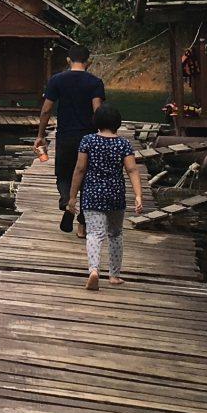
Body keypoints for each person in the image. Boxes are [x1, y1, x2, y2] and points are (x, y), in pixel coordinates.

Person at [67, 104, 143, 290]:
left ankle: (94, 270)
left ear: (96, 122)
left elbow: (80, 169)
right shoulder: (123, 144)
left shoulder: (88, 141)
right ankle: (114, 275)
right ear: (118, 123)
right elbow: (132, 169)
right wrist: (138, 195)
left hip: (92, 194)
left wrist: (72, 197)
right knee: (116, 234)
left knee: (94, 233)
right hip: (116, 195)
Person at [34, 45, 106, 221]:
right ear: (89, 62)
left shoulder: (56, 80)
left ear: (68, 60)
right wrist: (102, 136)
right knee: (87, 177)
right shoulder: (95, 82)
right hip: (88, 137)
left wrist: (40, 135)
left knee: (63, 174)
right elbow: (98, 111)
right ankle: (83, 214)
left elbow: (46, 110)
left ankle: (66, 200)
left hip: (65, 135)